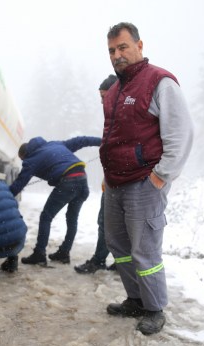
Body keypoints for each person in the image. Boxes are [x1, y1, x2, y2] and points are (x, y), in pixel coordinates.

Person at [100, 22, 194, 335]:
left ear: (140, 46)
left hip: (144, 183)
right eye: (112, 50)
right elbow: (112, 138)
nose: (117, 55)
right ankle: (135, 298)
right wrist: (106, 175)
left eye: (123, 47)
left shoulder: (160, 82)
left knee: (145, 250)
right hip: (115, 185)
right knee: (119, 245)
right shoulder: (114, 91)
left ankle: (154, 308)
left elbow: (180, 135)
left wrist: (160, 177)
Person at [9, 135, 101, 266]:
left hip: (68, 182)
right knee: (72, 218)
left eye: (22, 159)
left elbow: (19, 184)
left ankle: (39, 254)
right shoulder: (56, 144)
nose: (24, 162)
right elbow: (82, 141)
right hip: (82, 179)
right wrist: (103, 142)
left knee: (46, 216)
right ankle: (64, 253)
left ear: (25, 154)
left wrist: (4, 195)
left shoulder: (31, 159)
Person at [74, 74, 118, 274]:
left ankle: (100, 260)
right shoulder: (115, 117)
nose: (101, 101)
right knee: (116, 224)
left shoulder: (122, 116)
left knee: (106, 222)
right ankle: (120, 262)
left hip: (119, 182)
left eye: (103, 96)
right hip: (114, 179)